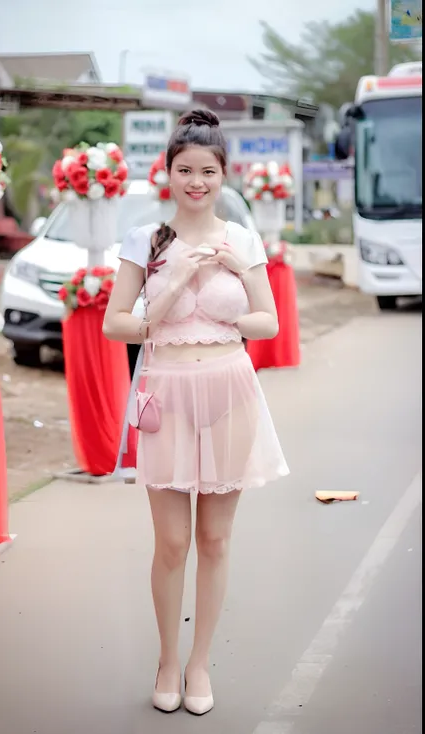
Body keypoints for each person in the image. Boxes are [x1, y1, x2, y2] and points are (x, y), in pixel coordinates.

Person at [103, 109, 289, 716]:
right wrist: (176, 281)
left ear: (222, 174)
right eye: (185, 169)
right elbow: (115, 325)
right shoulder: (147, 242)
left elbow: (270, 322)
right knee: (173, 543)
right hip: (166, 387)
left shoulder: (243, 240)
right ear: (169, 172)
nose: (196, 181)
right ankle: (166, 660)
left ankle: (200, 662)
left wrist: (232, 290)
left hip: (228, 386)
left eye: (208, 171)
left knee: (215, 538)